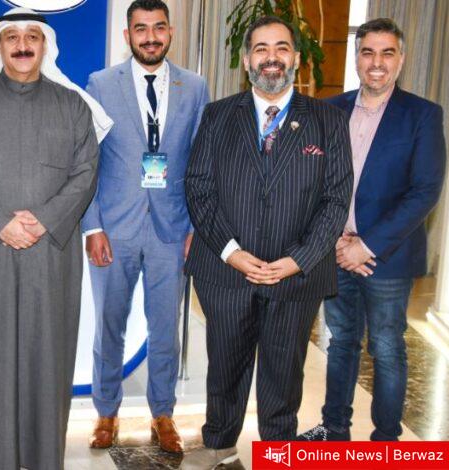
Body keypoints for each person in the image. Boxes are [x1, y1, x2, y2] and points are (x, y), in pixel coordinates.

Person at [0, 7, 112, 469]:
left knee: (46, 351)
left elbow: (86, 171)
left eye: (32, 35)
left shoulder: (72, 105)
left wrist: (45, 219)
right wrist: (0, 222)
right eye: (12, 37)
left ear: (45, 45)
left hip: (50, 253)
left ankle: (41, 454)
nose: (22, 44)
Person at [184, 16, 353, 468]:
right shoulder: (218, 115)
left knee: (283, 374)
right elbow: (198, 189)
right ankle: (218, 443)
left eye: (281, 48)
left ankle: (278, 452)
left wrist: (298, 259)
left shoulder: (328, 121)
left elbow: (337, 200)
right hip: (226, 271)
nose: (271, 57)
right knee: (225, 364)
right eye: (261, 48)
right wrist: (232, 253)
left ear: (295, 58)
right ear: (246, 60)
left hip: (294, 276)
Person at [298, 18, 446, 442]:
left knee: (386, 347)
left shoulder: (422, 115)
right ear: (357, 57)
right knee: (341, 341)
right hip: (336, 251)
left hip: (387, 258)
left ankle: (385, 440)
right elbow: (313, 182)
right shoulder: (330, 110)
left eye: (387, 53)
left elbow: (424, 191)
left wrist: (368, 246)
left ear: (401, 60)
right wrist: (335, 241)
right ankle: (334, 430)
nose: (376, 62)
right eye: (368, 52)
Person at [82, 0, 209, 454]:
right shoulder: (100, 84)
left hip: (171, 229)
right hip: (114, 229)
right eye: (141, 28)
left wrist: (195, 226)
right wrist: (92, 227)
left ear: (170, 32)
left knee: (165, 328)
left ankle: (163, 414)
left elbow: (200, 161)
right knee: (109, 326)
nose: (150, 36)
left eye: (158, 27)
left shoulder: (194, 86)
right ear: (128, 35)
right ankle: (106, 412)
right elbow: (87, 161)